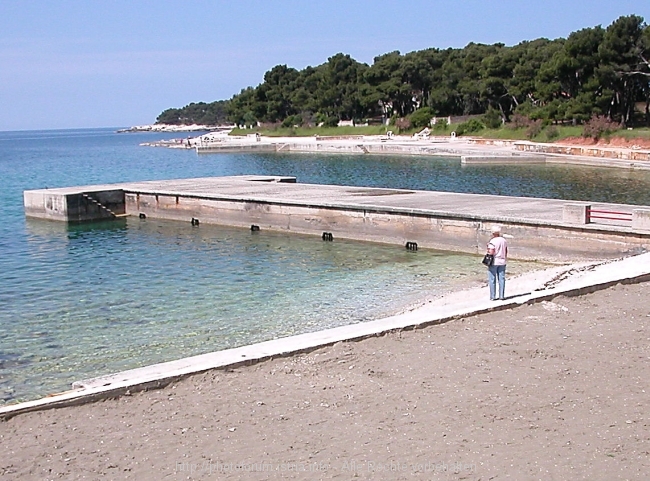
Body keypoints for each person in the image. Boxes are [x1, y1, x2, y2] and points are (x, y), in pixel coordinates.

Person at [486, 225, 508, 300]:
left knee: (492, 279)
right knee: (501, 279)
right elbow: (505, 251)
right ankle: (501, 296)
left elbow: (491, 252)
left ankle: (493, 296)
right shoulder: (504, 240)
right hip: (502, 261)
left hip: (494, 262)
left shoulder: (492, 241)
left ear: (493, 233)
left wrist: (488, 248)